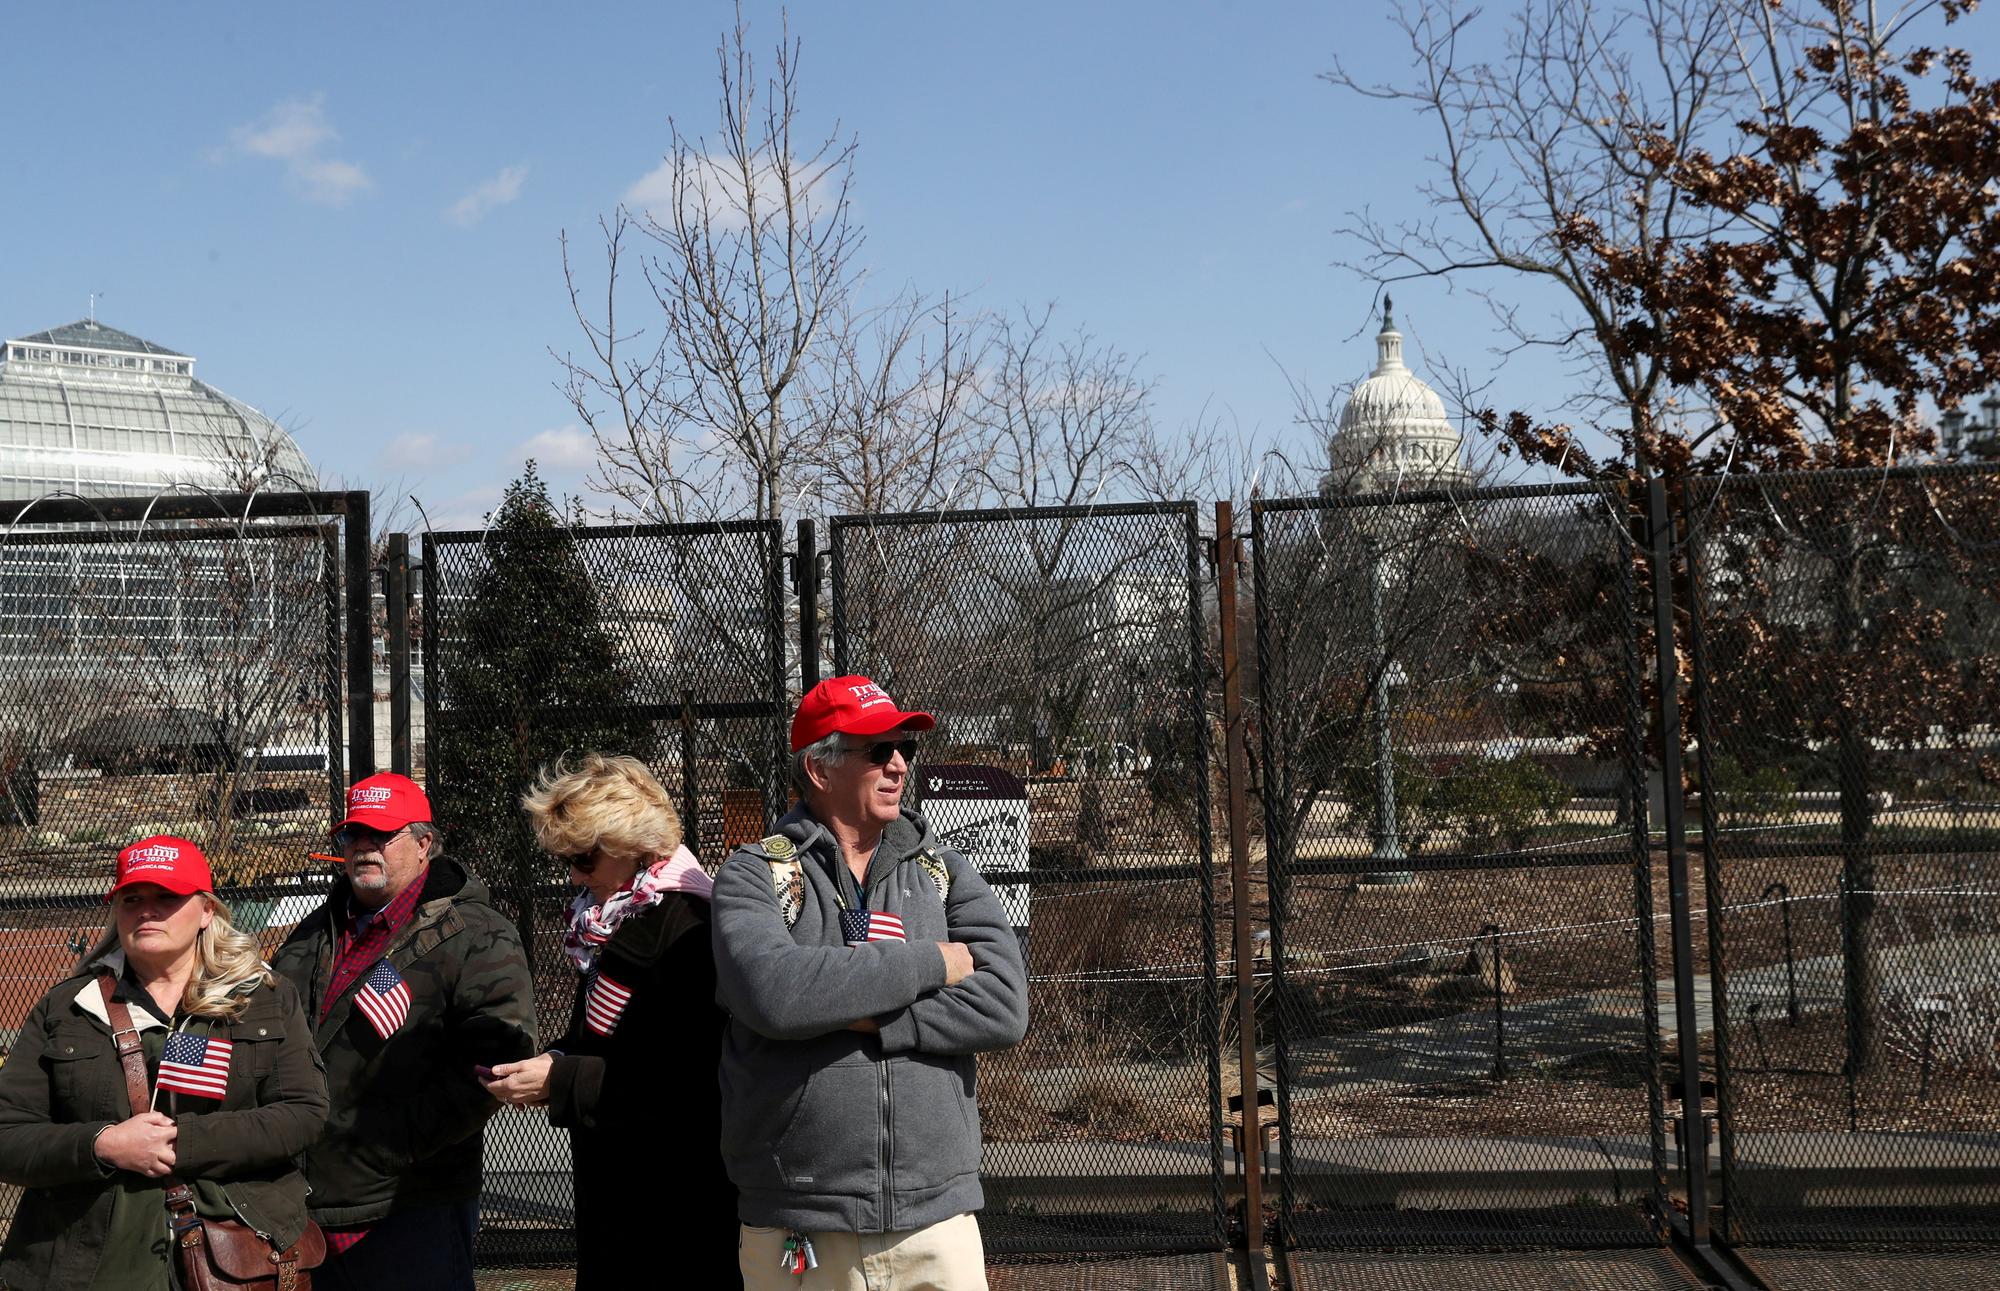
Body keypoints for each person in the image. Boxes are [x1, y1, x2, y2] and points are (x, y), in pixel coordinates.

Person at [713, 675, 1029, 1291]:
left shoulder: (944, 871)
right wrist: (932, 963)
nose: (899, 765)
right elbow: (774, 992)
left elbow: (1003, 1005)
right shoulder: (753, 874)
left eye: (904, 749)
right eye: (878, 750)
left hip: (937, 1221)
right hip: (801, 1222)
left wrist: (860, 1013)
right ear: (820, 769)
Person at [0, 836, 328, 1291]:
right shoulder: (67, 1008)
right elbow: (8, 1135)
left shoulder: (265, 999)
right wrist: (103, 1145)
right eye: (132, 898)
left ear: (207, 911)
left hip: (234, 1259)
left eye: (167, 897)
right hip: (90, 1265)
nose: (147, 910)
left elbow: (302, 1113)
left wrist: (185, 1143)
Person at [481, 753, 739, 1288]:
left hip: (677, 1206)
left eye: (585, 857)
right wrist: (553, 1058)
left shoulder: (691, 927)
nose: (575, 874)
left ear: (634, 843)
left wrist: (561, 1080)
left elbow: (690, 1081)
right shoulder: (620, 918)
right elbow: (606, 1040)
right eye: (567, 859)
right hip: (621, 1195)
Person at [271, 773, 537, 1291]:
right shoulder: (311, 934)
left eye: (381, 835)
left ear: (423, 845)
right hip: (305, 1202)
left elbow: (495, 1059)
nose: (364, 847)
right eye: (353, 836)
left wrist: (387, 1148)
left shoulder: (477, 934)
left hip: (411, 1203)